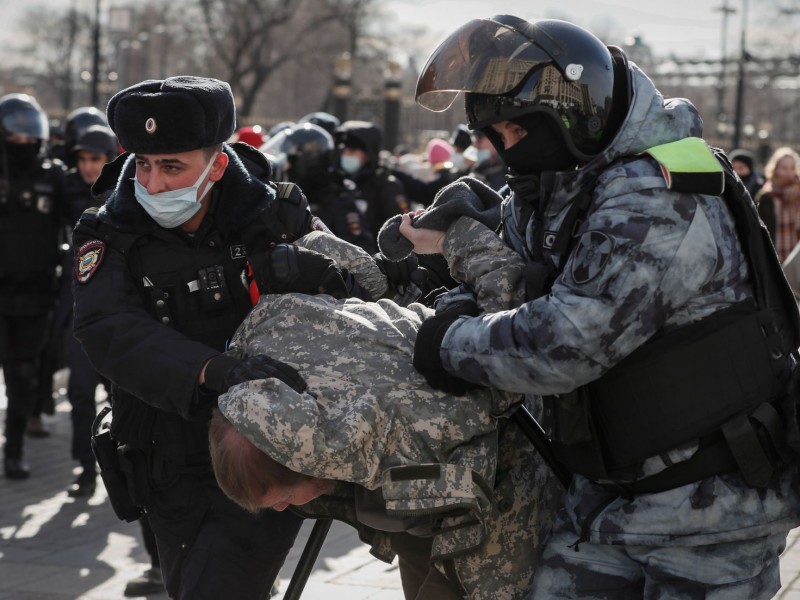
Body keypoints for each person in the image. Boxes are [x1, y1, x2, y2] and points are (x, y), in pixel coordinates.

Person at [407, 15, 800, 598]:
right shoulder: (561, 184)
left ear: (572, 112)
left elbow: (567, 341)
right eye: (499, 138)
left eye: (518, 132)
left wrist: (448, 344)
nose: (509, 151)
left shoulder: (658, 193)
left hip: (710, 515)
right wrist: (463, 282)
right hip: (603, 498)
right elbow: (525, 287)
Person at [71, 75, 350, 599]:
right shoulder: (107, 230)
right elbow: (105, 326)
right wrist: (210, 370)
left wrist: (315, 275)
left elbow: (344, 297)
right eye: (143, 164)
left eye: (173, 166)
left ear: (218, 164)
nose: (151, 183)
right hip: (167, 456)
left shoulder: (274, 214)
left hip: (259, 448)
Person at [208, 198, 564, 599]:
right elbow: (327, 253)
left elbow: (508, 340)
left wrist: (456, 238)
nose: (280, 510)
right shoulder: (262, 350)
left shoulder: (416, 423)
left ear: (300, 462)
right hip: (420, 501)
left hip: (495, 488)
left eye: (285, 497)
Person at [0, 93, 67, 479]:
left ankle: (14, 451)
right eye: (16, 134)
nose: (24, 141)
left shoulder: (53, 175)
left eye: (31, 134)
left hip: (36, 297)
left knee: (22, 377)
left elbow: (85, 210)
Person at [60, 124, 119, 497]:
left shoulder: (127, 198)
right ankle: (84, 466)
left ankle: (124, 468)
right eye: (82, 159)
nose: (86, 166)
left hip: (118, 317)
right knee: (80, 394)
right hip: (79, 313)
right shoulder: (66, 191)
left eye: (95, 159)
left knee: (121, 400)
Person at [261, 122, 376, 253]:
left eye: (291, 162)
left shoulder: (339, 202)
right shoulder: (290, 197)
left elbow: (362, 254)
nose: (286, 168)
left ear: (308, 161)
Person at [334, 120, 411, 239]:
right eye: (344, 151)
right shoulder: (337, 182)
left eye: (353, 151)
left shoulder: (386, 185)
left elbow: (401, 230)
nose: (347, 155)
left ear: (368, 154)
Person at [756, 146, 800, 261]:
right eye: (784, 168)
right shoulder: (766, 196)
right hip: (774, 256)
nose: (789, 172)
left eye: (792, 168)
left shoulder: (798, 192)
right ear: (775, 169)